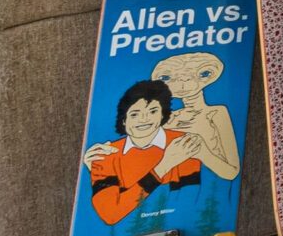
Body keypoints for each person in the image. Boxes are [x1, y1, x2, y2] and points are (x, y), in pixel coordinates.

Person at [83, 79, 203, 224]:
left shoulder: (183, 144)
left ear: (162, 115)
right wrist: (164, 166)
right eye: (135, 114)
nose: (144, 119)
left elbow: (188, 204)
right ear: (124, 120)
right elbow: (110, 214)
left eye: (153, 111)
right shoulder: (106, 154)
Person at [153, 51, 240, 181]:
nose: (182, 83)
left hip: (210, 183)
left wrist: (203, 154)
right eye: (167, 78)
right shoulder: (167, 118)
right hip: (170, 184)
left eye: (202, 74)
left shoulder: (215, 113)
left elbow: (232, 172)